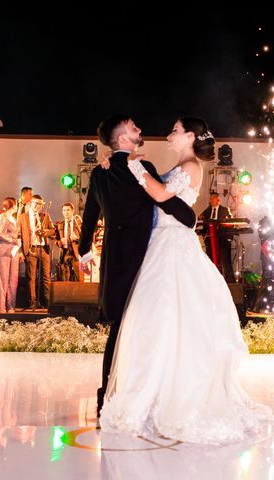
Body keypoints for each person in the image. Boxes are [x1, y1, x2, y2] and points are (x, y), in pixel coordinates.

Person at [98, 117, 272, 444]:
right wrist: (116, 163)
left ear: (190, 136)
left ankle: (175, 397)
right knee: (153, 322)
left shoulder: (192, 166)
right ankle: (150, 393)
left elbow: (162, 194)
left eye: (175, 130)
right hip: (159, 245)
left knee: (171, 317)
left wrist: (135, 168)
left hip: (174, 248)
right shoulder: (179, 165)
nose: (169, 134)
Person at [78, 114, 197, 417]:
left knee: (120, 328)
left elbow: (90, 214)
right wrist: (190, 219)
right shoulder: (142, 168)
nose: (140, 129)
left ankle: (108, 396)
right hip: (145, 256)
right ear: (122, 139)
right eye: (133, 128)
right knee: (147, 326)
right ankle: (150, 395)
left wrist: (84, 250)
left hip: (117, 259)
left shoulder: (99, 173)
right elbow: (163, 201)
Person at [17, 195, 55, 309]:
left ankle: (47, 302)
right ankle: (32, 302)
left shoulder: (45, 216)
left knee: (46, 276)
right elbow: (18, 235)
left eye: (40, 204)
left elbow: (53, 231)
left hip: (43, 249)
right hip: (31, 249)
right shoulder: (22, 217)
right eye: (36, 203)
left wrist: (45, 232)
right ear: (30, 203)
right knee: (31, 277)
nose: (38, 206)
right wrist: (20, 251)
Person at [0, 197, 21, 313]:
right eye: (16, 204)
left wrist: (17, 242)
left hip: (14, 251)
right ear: (13, 205)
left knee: (13, 279)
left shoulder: (14, 218)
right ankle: (2, 307)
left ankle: (11, 306)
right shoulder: (3, 217)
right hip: (3, 250)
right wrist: (13, 240)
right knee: (2, 279)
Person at [200, 192, 235, 281]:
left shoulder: (225, 210)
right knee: (210, 260)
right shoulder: (207, 211)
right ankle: (212, 280)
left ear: (218, 200)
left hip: (222, 240)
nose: (211, 199)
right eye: (210, 198)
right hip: (210, 240)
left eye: (213, 197)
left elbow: (230, 223)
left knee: (225, 261)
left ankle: (229, 281)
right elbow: (203, 224)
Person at [55, 202, 83, 281]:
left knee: (79, 278)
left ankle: (80, 292)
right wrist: (59, 242)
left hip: (76, 253)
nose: (65, 212)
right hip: (65, 252)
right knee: (65, 278)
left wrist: (77, 238)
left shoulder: (79, 223)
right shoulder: (60, 224)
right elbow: (55, 239)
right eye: (64, 210)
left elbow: (86, 238)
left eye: (68, 210)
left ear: (72, 211)